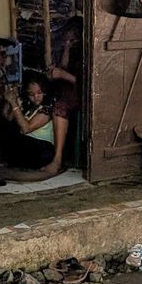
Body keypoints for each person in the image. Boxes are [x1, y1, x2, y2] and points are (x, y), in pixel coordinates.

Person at [44, 16, 83, 174]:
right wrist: (67, 47)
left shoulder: (87, 50)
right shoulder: (70, 48)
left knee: (60, 106)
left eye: (72, 38)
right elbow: (64, 66)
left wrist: (62, 75)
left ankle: (57, 159)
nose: (69, 41)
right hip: (66, 91)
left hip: (82, 95)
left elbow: (86, 81)